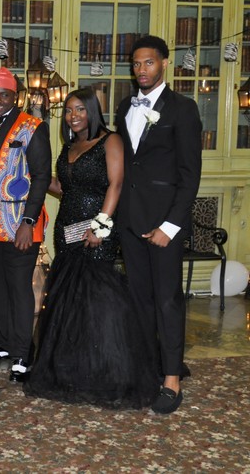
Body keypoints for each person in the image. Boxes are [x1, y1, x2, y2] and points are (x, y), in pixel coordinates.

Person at [23, 88, 158, 409]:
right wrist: (36, 175)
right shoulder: (70, 145)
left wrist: (100, 224)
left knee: (101, 299)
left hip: (97, 231)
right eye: (69, 110)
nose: (73, 116)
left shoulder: (109, 141)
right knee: (70, 300)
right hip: (67, 231)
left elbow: (117, 183)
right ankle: (76, 370)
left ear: (93, 111)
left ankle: (111, 371)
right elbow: (62, 186)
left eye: (80, 110)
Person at [115, 35, 202, 414]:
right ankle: (151, 367)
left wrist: (171, 225)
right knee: (140, 300)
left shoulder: (183, 108)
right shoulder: (125, 106)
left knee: (167, 301)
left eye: (148, 63)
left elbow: (189, 174)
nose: (141, 70)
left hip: (165, 223)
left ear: (164, 63)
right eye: (136, 64)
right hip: (130, 221)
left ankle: (171, 379)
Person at [0, 66, 51, 382]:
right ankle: (1, 343)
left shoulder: (32, 127)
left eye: (4, 95)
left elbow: (42, 176)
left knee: (20, 290)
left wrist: (28, 222)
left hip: (20, 224)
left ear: (15, 96)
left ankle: (23, 353)